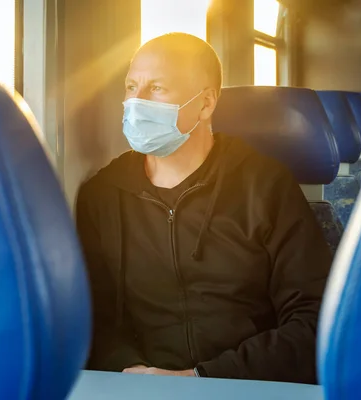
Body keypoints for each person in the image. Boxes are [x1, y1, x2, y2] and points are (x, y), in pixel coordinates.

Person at [75, 32, 332, 383]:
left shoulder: (265, 186)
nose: (135, 102)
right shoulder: (101, 195)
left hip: (248, 384)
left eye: (156, 89)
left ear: (206, 103)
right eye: (131, 86)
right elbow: (91, 314)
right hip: (139, 386)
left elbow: (315, 316)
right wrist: (129, 372)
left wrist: (201, 377)